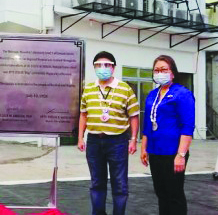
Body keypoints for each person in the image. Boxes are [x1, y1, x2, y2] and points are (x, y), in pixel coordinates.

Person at [77, 51, 139, 215]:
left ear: (114, 67)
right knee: (97, 182)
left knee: (119, 183)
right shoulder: (88, 88)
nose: (102, 68)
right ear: (94, 67)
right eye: (98, 65)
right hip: (94, 141)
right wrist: (80, 137)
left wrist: (133, 139)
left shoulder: (125, 89)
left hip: (117, 141)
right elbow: (83, 114)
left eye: (107, 65)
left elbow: (134, 116)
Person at [140, 55, 195, 215]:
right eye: (156, 70)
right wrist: (144, 148)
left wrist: (181, 155)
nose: (159, 73)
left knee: (174, 194)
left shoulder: (182, 94)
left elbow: (187, 126)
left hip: (173, 153)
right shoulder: (152, 94)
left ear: (172, 73)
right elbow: (147, 124)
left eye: (164, 69)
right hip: (155, 152)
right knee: (161, 193)